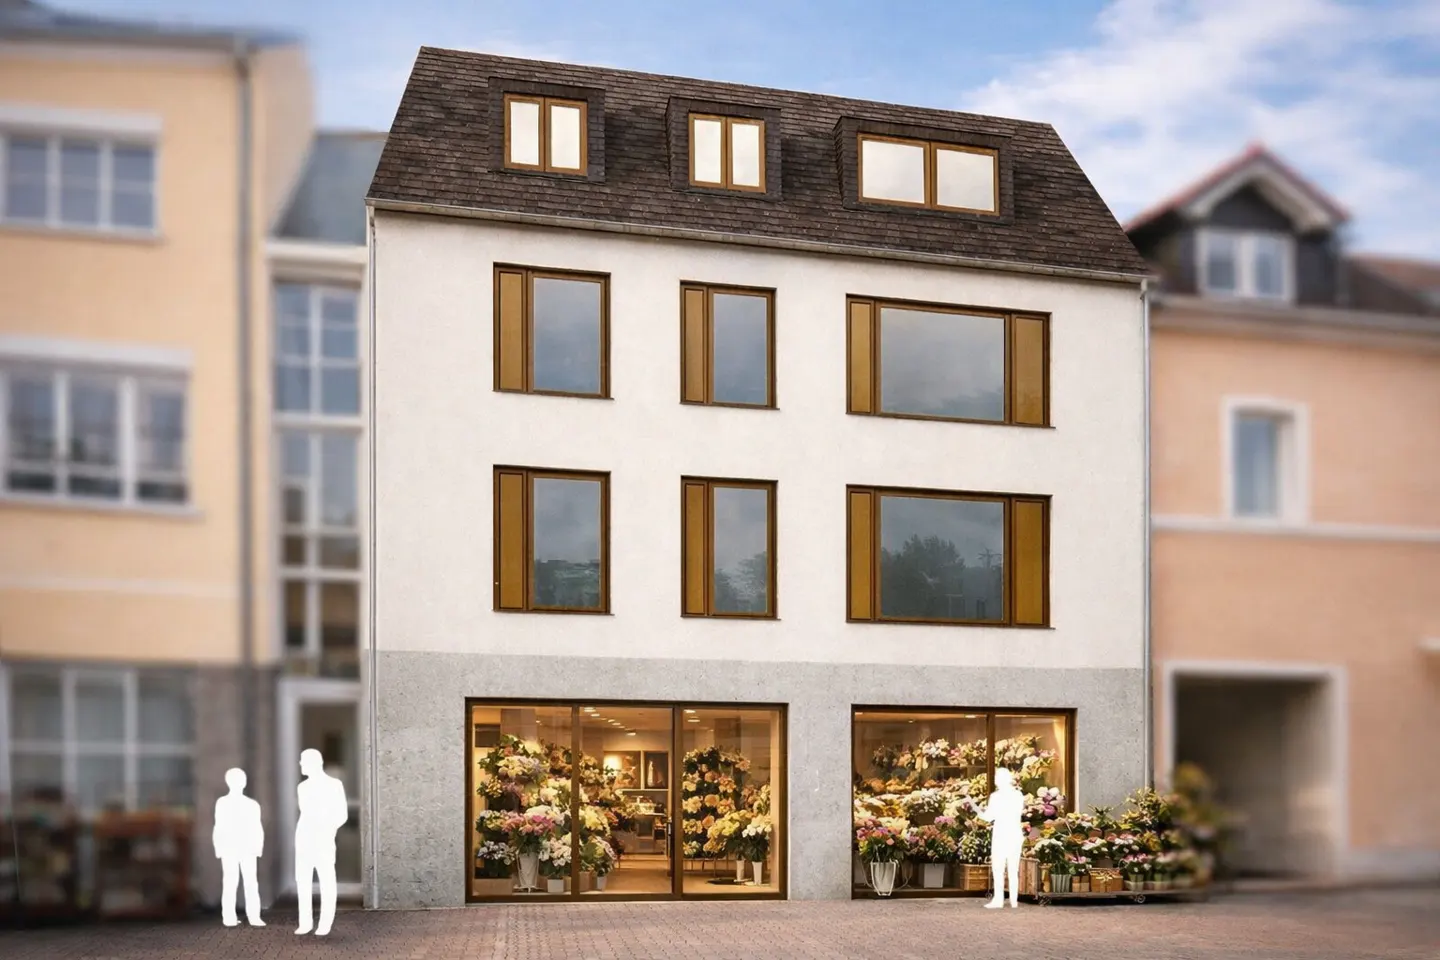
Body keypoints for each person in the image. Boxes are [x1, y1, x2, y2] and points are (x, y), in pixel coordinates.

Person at [294, 748, 348, 936]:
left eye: (303, 761)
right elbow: (304, 813)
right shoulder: (302, 787)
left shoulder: (334, 785)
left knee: (326, 881)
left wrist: (328, 830)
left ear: (313, 763)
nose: (300, 764)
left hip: (323, 840)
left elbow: (342, 814)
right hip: (304, 839)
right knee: (303, 881)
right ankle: (305, 923)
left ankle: (325, 923)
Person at [212, 767, 265, 927]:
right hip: (231, 848)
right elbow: (219, 827)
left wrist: (257, 848)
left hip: (246, 849)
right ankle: (230, 917)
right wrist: (219, 848)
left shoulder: (251, 805)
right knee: (231, 882)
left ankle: (253, 916)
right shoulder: (223, 803)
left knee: (250, 883)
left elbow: (257, 827)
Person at [976, 767, 1025, 908]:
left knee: (998, 868)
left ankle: (999, 899)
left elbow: (989, 816)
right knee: (1013, 869)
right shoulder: (1018, 795)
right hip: (1015, 833)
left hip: (1001, 834)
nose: (995, 780)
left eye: (996, 778)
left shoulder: (996, 796)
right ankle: (1014, 900)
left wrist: (977, 810)